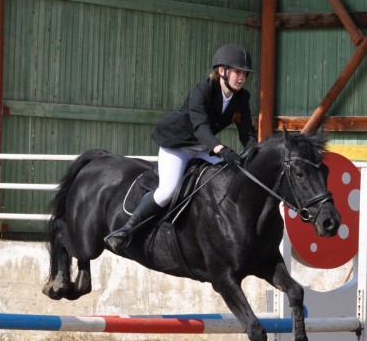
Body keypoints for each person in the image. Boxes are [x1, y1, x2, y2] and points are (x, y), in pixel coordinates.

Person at [104, 43, 258, 254]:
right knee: (167, 191)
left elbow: (246, 131)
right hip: (178, 144)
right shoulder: (202, 90)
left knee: (228, 178)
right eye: (237, 71)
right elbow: (201, 128)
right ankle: (125, 231)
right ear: (222, 71)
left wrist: (253, 151)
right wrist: (222, 149)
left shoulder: (242, 98)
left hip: (203, 147)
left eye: (244, 73)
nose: (241, 77)